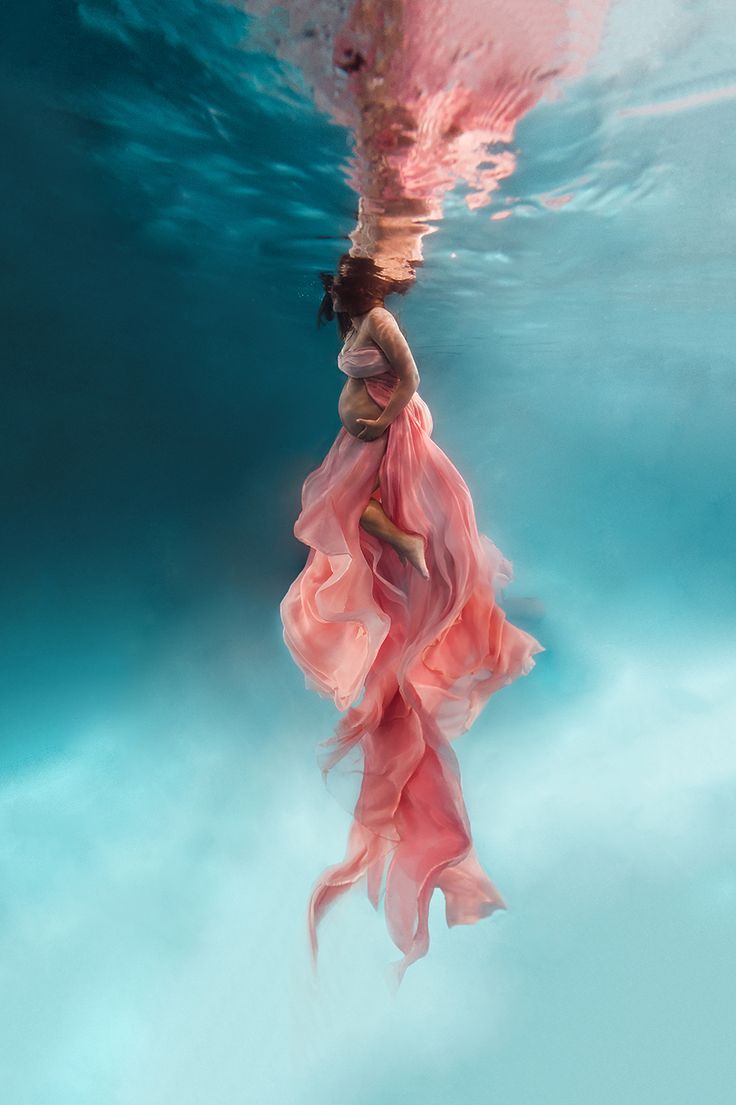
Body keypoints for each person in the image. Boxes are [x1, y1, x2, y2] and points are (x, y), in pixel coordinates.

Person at [280, 253, 544, 990]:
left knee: (344, 523)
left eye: (344, 287)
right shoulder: (366, 319)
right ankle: (398, 551)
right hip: (369, 436)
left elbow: (409, 379)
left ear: (361, 289)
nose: (338, 298)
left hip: (388, 437)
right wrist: (364, 414)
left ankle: (401, 547)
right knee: (340, 526)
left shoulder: (382, 322)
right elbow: (379, 374)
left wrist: (377, 417)